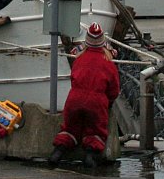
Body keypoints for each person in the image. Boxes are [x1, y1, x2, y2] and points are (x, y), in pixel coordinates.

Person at [49, 22, 120, 169]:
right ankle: (89, 156)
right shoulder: (109, 63)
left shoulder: (79, 59)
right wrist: (109, 102)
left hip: (74, 98)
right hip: (96, 100)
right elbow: (114, 89)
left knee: (70, 127)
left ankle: (58, 152)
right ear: (103, 43)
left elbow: (73, 78)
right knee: (96, 130)